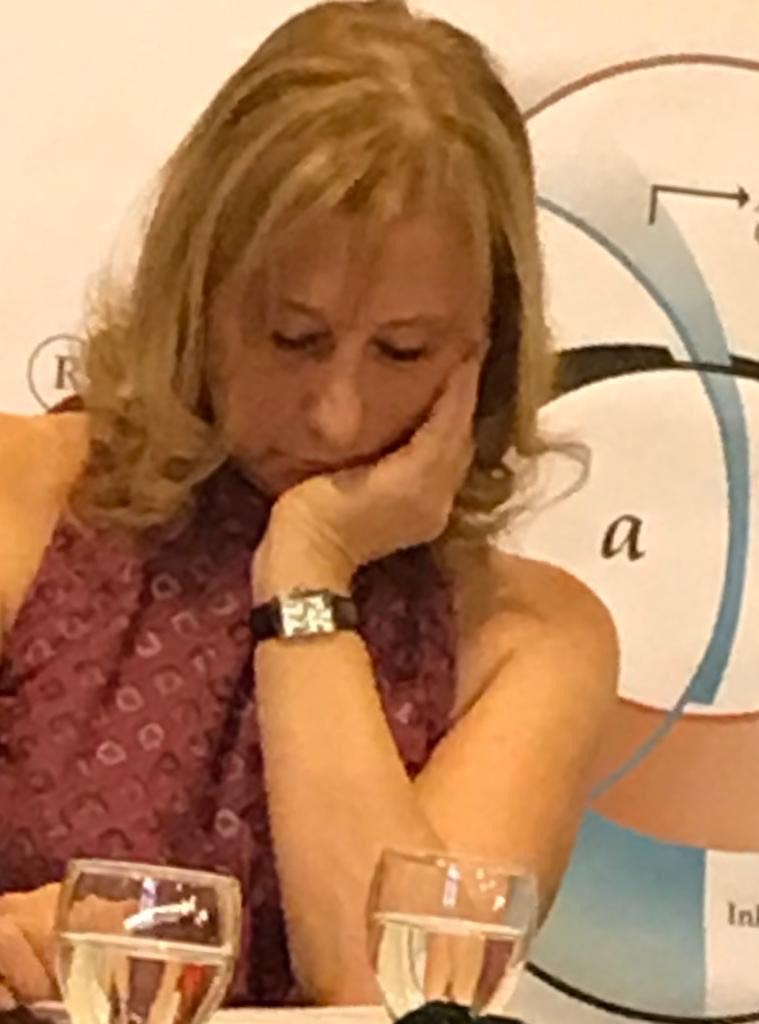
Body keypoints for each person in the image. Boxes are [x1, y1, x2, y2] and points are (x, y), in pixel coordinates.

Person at [0, 0, 618, 1008]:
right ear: (197, 294)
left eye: (403, 352)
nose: (337, 415)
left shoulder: (532, 639)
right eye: (293, 338)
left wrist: (309, 568)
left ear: (488, 347)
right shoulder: (22, 501)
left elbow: (393, 998)